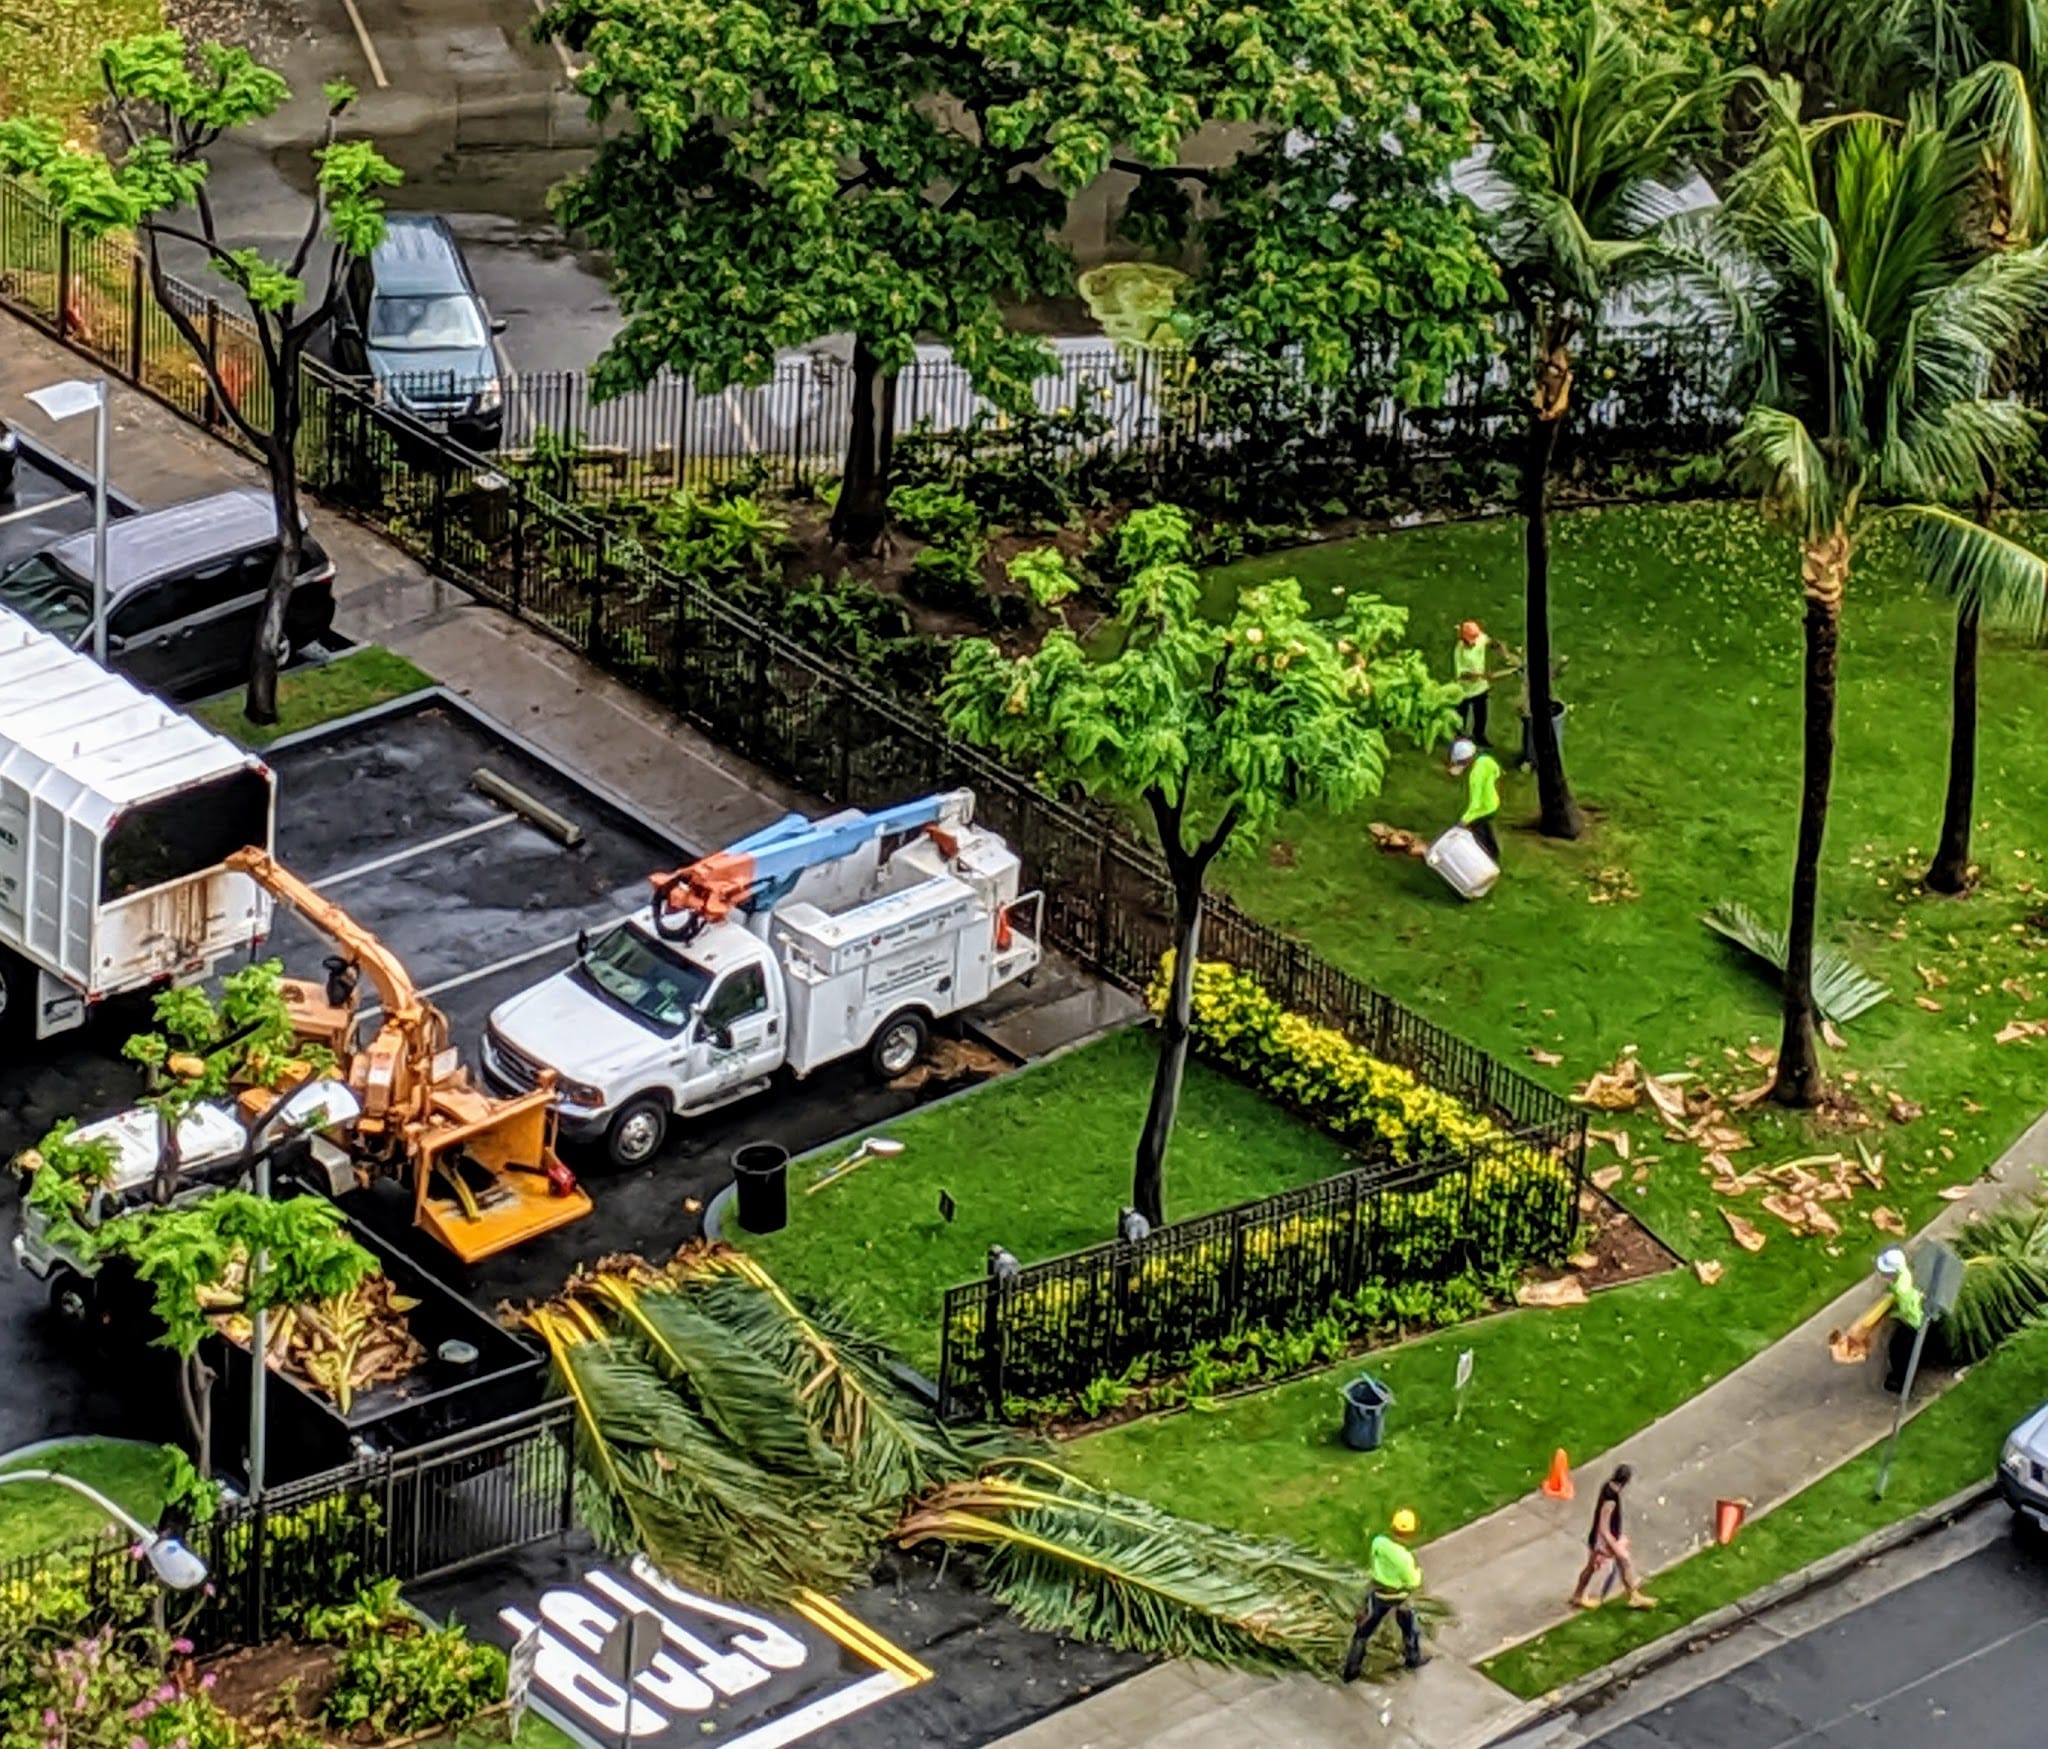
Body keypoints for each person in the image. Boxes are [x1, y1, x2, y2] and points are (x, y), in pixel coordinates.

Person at [1341, 1507, 1430, 1679]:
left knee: (1363, 1632)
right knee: (1410, 1628)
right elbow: (1413, 1581)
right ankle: (1412, 1659)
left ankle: (1351, 1669)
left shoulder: (1379, 1542)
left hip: (1379, 1594)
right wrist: (1418, 1572)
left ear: (1392, 1527)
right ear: (1411, 1533)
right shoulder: (1404, 1558)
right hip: (1399, 1597)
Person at [1568, 1464, 1657, 1611]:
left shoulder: (1608, 1488)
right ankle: (1633, 1596)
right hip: (1603, 1541)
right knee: (1624, 1560)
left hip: (1603, 1538)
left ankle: (1578, 1595)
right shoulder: (1611, 1499)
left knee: (1593, 1567)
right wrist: (1614, 1546)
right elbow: (1603, 1527)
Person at [1877, 1246, 1926, 1394]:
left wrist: (1894, 1314)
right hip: (1915, 1320)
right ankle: (1903, 1376)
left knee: (1899, 1352)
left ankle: (1903, 1383)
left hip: (1912, 1324)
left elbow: (1907, 1312)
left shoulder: (1901, 1290)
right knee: (1902, 1350)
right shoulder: (1905, 1274)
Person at [1447, 737, 1503, 866]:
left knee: (1479, 838)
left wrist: (1464, 820)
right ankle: (1494, 855)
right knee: (1488, 833)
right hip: (1492, 804)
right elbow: (1497, 773)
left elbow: (1475, 803)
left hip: (1482, 810)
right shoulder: (1486, 760)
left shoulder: (1475, 776)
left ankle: (1487, 862)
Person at [1453, 620, 1494, 745]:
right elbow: (1462, 675)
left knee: (1481, 715)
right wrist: (1480, 675)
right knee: (1461, 717)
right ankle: (1460, 737)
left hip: (1480, 688)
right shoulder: (1459, 651)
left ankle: (1479, 735)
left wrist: (1503, 652)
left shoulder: (1480, 638)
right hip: (1465, 690)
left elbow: (1491, 642)